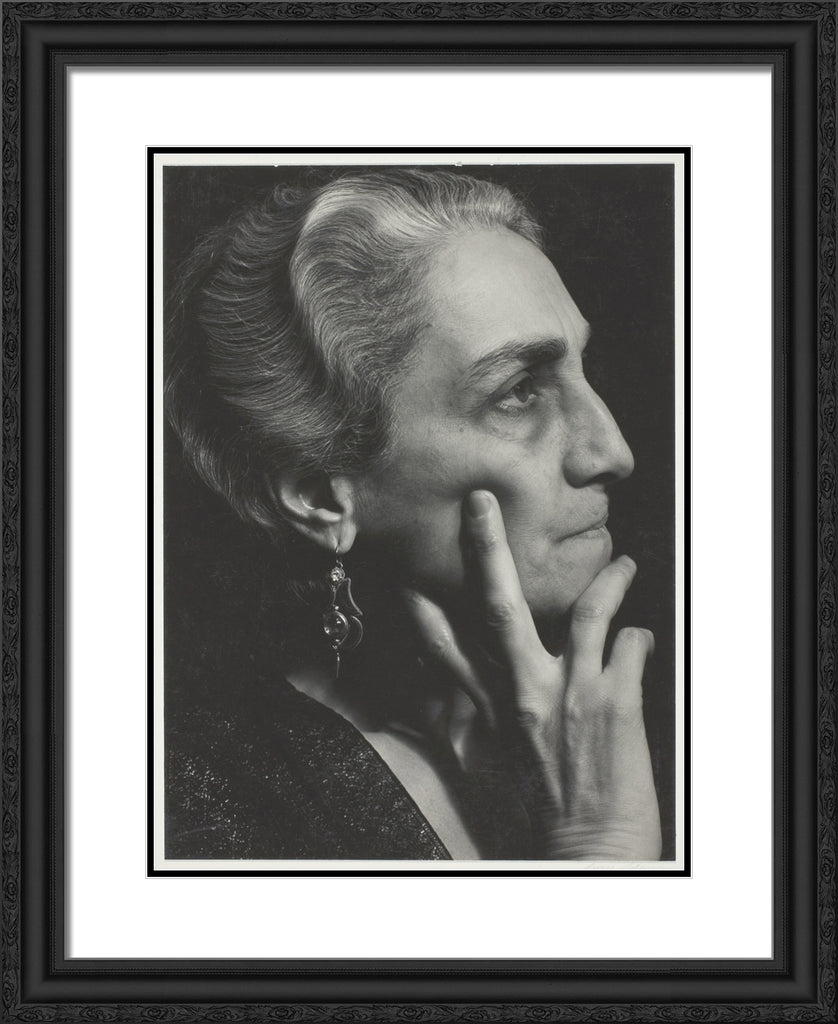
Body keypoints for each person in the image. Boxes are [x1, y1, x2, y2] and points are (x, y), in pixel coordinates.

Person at [164, 168, 662, 861]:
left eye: (584, 368)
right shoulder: (188, 813)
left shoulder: (624, 731)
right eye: (519, 391)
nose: (612, 452)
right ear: (321, 498)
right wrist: (602, 847)